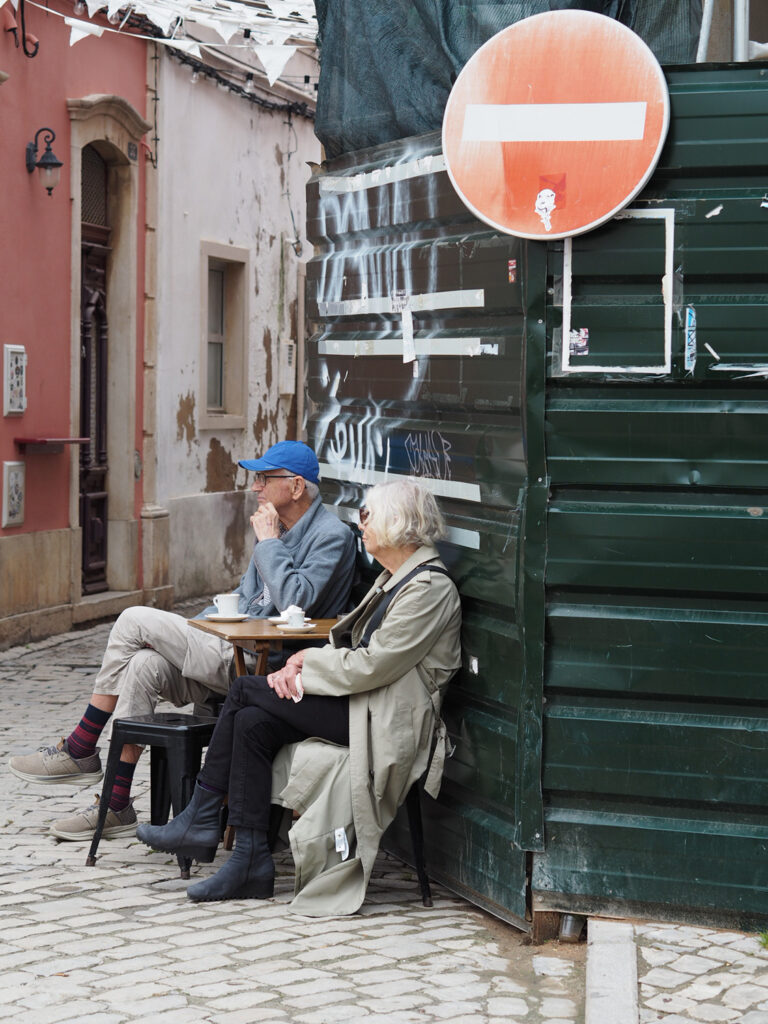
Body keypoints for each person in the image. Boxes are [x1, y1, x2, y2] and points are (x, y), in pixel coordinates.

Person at [135, 479, 462, 915]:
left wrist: (307, 664)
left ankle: (202, 815)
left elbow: (374, 664)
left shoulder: (428, 588)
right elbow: (351, 648)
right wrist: (300, 663)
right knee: (253, 721)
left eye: (367, 517)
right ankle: (249, 860)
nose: (360, 526)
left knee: (245, 689)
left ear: (396, 524)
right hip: (362, 705)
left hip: (385, 719)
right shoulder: (395, 579)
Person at [9, 441, 357, 842]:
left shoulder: (331, 536)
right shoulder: (276, 528)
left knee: (132, 619)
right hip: (231, 651)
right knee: (142, 666)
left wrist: (268, 543)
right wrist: (189, 633)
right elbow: (244, 601)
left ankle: (81, 745)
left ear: (296, 487)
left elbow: (298, 600)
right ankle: (117, 801)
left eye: (264, 478)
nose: (256, 488)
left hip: (265, 665)